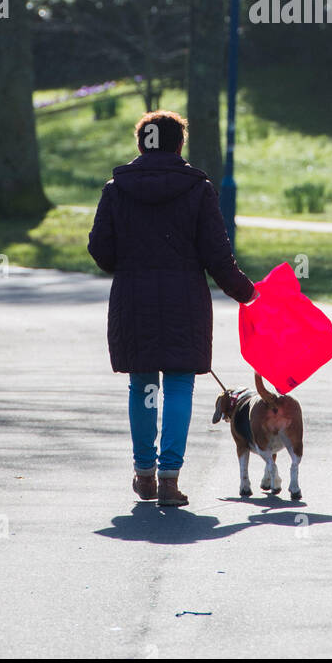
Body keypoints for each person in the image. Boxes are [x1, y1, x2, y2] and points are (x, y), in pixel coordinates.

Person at [88, 110, 256, 507]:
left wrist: (125, 263)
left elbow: (100, 249)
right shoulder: (198, 190)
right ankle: (169, 479)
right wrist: (246, 292)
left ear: (140, 143)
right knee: (180, 384)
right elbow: (218, 256)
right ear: (179, 144)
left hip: (134, 298)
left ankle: (143, 473)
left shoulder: (117, 189)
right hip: (185, 300)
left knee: (143, 385)